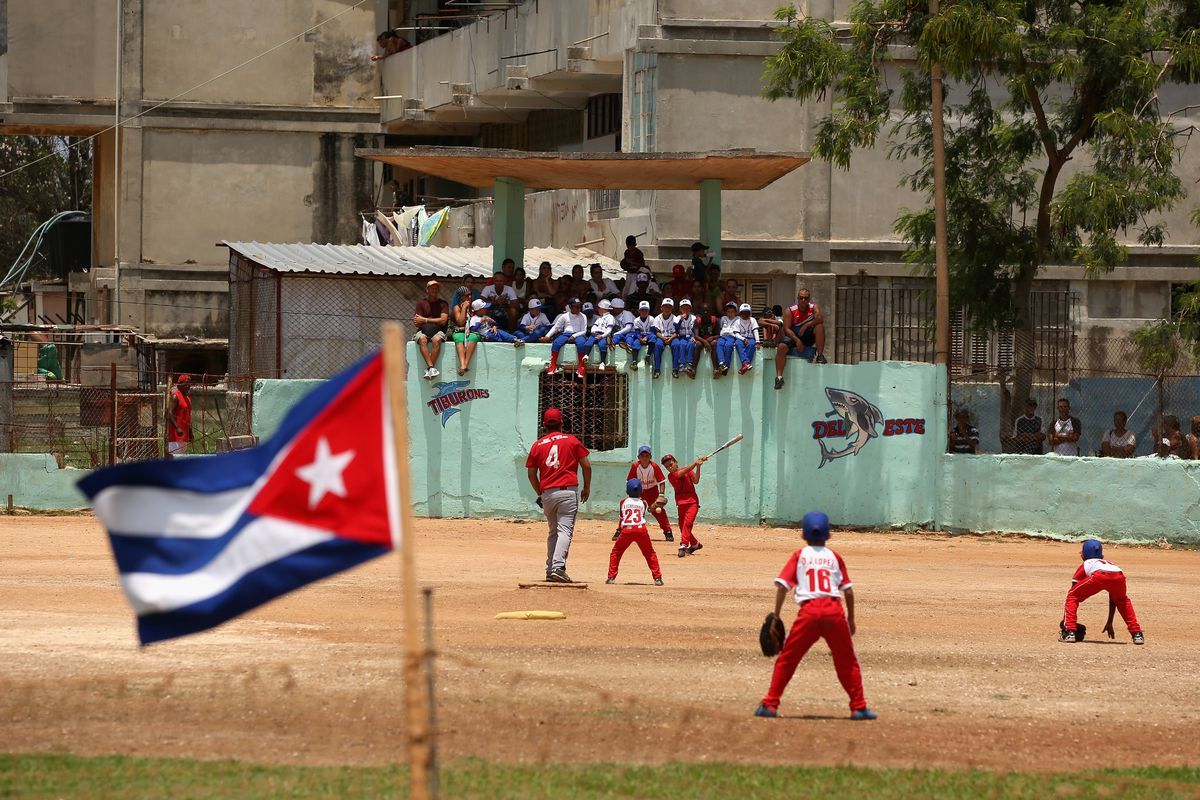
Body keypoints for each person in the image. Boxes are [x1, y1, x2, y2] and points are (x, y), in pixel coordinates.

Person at [754, 511, 876, 721]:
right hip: (833, 612)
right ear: (829, 536)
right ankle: (859, 707)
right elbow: (848, 590)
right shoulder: (835, 557)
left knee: (788, 659)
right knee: (847, 661)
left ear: (803, 536)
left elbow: (783, 587)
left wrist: (777, 614)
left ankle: (770, 704)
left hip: (809, 614)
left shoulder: (799, 556)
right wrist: (851, 620)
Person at [525, 407, 591, 583]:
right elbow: (586, 465)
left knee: (553, 532)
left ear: (544, 425)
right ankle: (558, 567)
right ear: (561, 423)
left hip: (548, 493)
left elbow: (531, 474)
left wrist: (540, 492)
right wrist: (587, 488)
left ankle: (550, 569)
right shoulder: (571, 440)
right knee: (564, 531)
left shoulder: (537, 445)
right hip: (568, 492)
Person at [1059, 539, 1143, 645]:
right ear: (1102, 556)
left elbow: (1073, 592)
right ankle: (1137, 634)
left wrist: (1065, 623)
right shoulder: (1109, 563)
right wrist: (1110, 621)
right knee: (1122, 600)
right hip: (1119, 574)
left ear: (1082, 556)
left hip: (1099, 575)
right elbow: (1113, 598)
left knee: (1072, 596)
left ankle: (1069, 632)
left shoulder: (1086, 563)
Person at [606, 479, 665, 586]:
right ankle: (658, 578)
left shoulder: (623, 502)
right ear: (641, 491)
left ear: (627, 491)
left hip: (626, 530)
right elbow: (644, 512)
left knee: (616, 552)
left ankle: (611, 578)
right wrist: (655, 505)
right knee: (649, 553)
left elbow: (622, 517)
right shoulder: (644, 503)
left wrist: (619, 531)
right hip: (641, 529)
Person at [774, 288, 827, 390]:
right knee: (781, 347)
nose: (803, 300)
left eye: (806, 298)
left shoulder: (813, 307)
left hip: (807, 335)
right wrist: (797, 341)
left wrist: (807, 325)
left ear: (809, 299)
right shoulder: (790, 310)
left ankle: (820, 355)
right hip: (793, 335)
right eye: (801, 298)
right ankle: (779, 378)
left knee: (819, 326)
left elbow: (820, 318)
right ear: (798, 298)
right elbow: (786, 329)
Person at [624, 445, 674, 542]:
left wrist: (661, 494)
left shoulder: (654, 466)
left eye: (647, 455)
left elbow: (661, 481)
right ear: (638, 457)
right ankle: (622, 530)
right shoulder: (635, 466)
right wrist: (630, 495)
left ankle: (667, 531)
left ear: (650, 457)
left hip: (652, 491)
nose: (644, 458)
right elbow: (629, 481)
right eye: (642, 456)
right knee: (633, 509)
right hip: (639, 491)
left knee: (659, 511)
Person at [663, 452, 706, 558]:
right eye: (667, 467)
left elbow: (696, 481)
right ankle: (695, 544)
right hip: (681, 504)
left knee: (687, 524)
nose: (670, 467)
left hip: (692, 503)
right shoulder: (671, 476)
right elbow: (681, 473)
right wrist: (695, 463)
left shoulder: (688, 470)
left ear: (676, 462)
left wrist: (698, 467)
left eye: (671, 464)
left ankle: (683, 545)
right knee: (682, 527)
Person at [542, 297, 590, 380]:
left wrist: (574, 336)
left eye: (579, 306)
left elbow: (584, 331)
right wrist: (547, 336)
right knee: (556, 343)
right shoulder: (564, 316)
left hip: (578, 334)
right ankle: (553, 365)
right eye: (576, 307)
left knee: (581, 344)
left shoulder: (583, 316)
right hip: (566, 334)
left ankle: (581, 367)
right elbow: (556, 327)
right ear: (570, 307)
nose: (579, 308)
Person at [413, 279, 449, 380]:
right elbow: (416, 322)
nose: (435, 290)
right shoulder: (421, 303)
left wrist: (424, 320)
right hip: (423, 330)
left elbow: (443, 321)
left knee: (437, 340)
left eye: (437, 289)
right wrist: (431, 321)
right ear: (427, 290)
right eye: (432, 288)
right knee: (422, 339)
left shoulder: (443, 304)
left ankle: (430, 370)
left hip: (439, 330)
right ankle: (431, 368)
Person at [450, 288, 481, 375]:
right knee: (458, 337)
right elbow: (460, 322)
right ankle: (463, 364)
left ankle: (464, 365)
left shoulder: (473, 307)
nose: (470, 297)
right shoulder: (457, 307)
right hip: (460, 331)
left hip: (471, 332)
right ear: (461, 297)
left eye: (470, 294)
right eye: (467, 295)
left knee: (473, 337)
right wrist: (464, 308)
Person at [579, 299, 617, 367]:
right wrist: (592, 331)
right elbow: (594, 326)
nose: (598, 309)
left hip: (604, 335)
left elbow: (609, 329)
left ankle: (602, 362)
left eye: (599, 308)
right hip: (595, 334)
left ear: (603, 309)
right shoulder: (599, 318)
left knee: (602, 345)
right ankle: (586, 355)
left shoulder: (610, 318)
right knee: (588, 343)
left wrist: (602, 336)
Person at [622, 300, 656, 371]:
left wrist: (646, 337)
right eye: (642, 310)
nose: (644, 312)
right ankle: (634, 361)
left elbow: (652, 331)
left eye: (646, 310)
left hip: (648, 335)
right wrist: (640, 339)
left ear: (648, 311)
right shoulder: (636, 320)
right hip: (640, 336)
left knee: (653, 337)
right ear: (639, 311)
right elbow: (637, 332)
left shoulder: (651, 319)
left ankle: (648, 355)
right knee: (635, 343)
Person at [649, 298, 679, 379]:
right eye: (665, 306)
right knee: (657, 345)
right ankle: (657, 369)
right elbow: (657, 332)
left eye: (669, 307)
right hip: (661, 337)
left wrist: (670, 339)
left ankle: (675, 369)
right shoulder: (657, 318)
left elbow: (677, 332)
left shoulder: (675, 318)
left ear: (672, 308)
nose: (667, 309)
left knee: (676, 345)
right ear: (661, 308)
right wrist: (663, 338)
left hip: (672, 337)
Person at [730, 303, 762, 375]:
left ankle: (745, 364)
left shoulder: (752, 320)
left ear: (749, 313)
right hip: (741, 338)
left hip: (750, 338)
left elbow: (755, 331)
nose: (745, 314)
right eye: (743, 312)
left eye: (747, 312)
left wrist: (757, 341)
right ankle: (746, 364)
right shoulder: (737, 321)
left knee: (751, 344)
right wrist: (743, 339)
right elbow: (736, 334)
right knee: (738, 344)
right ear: (740, 313)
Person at [167, 375, 193, 458]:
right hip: (175, 437)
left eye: (189, 384)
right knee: (175, 461)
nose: (188, 386)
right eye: (186, 384)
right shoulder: (175, 396)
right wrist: (177, 428)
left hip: (185, 436)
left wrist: (190, 432)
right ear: (179, 385)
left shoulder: (188, 399)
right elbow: (169, 414)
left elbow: (188, 417)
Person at [673, 298, 699, 378]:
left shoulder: (693, 317)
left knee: (691, 344)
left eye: (687, 308)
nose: (685, 309)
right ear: (680, 309)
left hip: (690, 336)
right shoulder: (677, 317)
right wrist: (681, 320)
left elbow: (695, 328)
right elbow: (676, 329)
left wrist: (694, 337)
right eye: (683, 308)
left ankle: (689, 363)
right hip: (682, 336)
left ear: (690, 308)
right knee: (682, 344)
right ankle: (681, 363)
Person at [714, 301, 740, 376]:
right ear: (726, 312)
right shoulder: (723, 318)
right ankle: (721, 362)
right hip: (723, 336)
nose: (730, 314)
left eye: (732, 312)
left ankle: (726, 366)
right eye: (728, 312)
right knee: (719, 344)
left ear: (736, 312)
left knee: (728, 346)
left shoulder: (738, 319)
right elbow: (721, 327)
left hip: (732, 336)